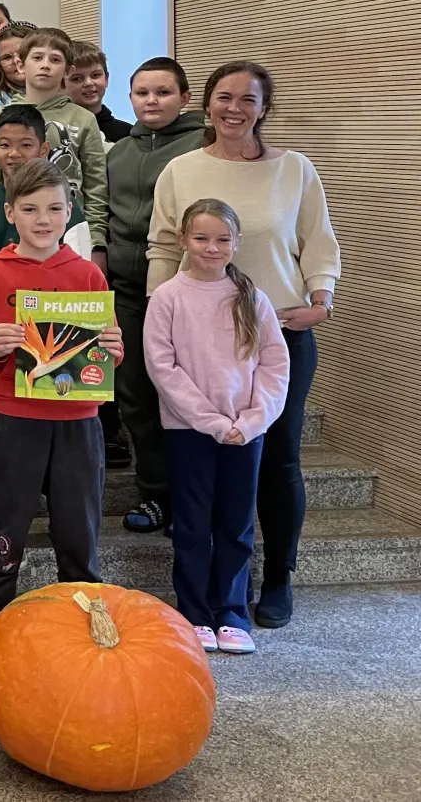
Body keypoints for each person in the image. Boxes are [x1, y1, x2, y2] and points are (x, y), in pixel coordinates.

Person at [147, 61, 340, 629]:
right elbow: (161, 247)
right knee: (205, 469)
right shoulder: (180, 169)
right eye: (223, 97)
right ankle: (218, 588)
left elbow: (318, 242)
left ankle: (277, 577)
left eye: (248, 100)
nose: (235, 108)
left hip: (277, 333)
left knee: (276, 459)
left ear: (264, 108)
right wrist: (164, 314)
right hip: (199, 344)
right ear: (204, 104)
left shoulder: (295, 170)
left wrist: (320, 301)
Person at [0, 159, 123, 717]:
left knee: (79, 543)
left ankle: (86, 660)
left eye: (54, 208)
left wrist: (112, 352)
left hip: (78, 424)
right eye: (29, 209)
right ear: (10, 213)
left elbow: (105, 347)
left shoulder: (88, 275)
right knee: (2, 539)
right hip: (14, 422)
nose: (43, 219)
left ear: (69, 211)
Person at [146, 198, 289, 656]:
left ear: (237, 243)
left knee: (235, 523)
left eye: (223, 239)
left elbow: (274, 366)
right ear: (183, 240)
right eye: (202, 238)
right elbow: (162, 367)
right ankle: (194, 613)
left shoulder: (253, 298)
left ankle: (231, 611)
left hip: (243, 434)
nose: (212, 247)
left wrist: (250, 422)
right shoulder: (169, 297)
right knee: (192, 523)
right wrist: (208, 420)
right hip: (190, 431)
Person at [106, 57, 206, 534]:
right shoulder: (117, 152)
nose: (151, 101)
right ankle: (155, 496)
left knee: (185, 394)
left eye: (163, 92)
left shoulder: (202, 146)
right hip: (126, 290)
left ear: (185, 99)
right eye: (142, 92)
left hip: (183, 289)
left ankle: (192, 497)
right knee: (135, 393)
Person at [0, 29, 109, 269]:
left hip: (71, 232)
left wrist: (96, 242)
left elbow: (96, 185)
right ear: (21, 64)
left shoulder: (84, 119)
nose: (45, 66)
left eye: (55, 59)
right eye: (37, 58)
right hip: (10, 232)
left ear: (68, 71)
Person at [0, 103, 91, 277]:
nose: (14, 153)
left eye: (26, 145)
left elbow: (80, 269)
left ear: (43, 150)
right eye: (5, 145)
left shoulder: (63, 206)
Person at [66, 41, 132, 144]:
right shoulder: (55, 130)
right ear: (62, 84)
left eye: (95, 75)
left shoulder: (129, 134)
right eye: (77, 78)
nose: (88, 83)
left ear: (106, 79)